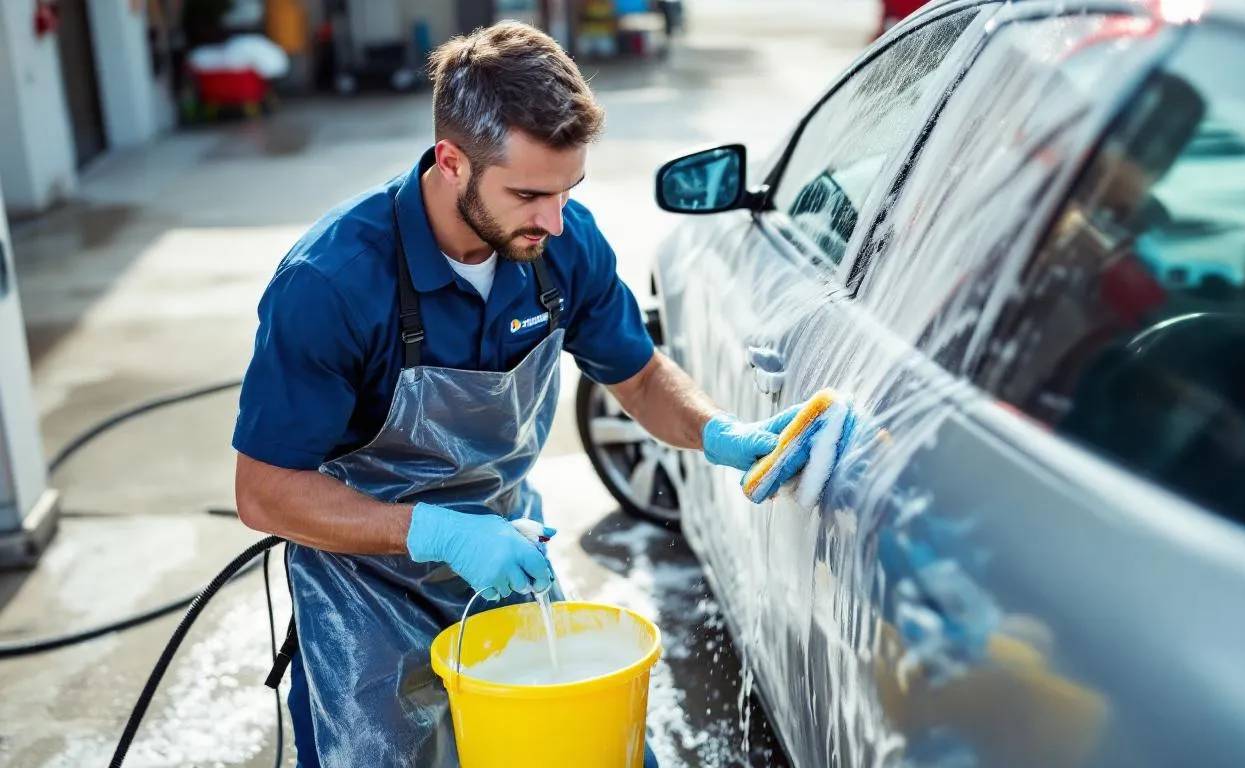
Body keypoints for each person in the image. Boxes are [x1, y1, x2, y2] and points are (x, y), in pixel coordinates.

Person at [231, 21, 818, 767]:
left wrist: (717, 431)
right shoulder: (333, 283)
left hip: (505, 556)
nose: (554, 218)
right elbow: (264, 492)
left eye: (568, 190)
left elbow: (638, 376)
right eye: (530, 193)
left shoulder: (561, 243)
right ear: (452, 162)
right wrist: (441, 534)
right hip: (363, 590)